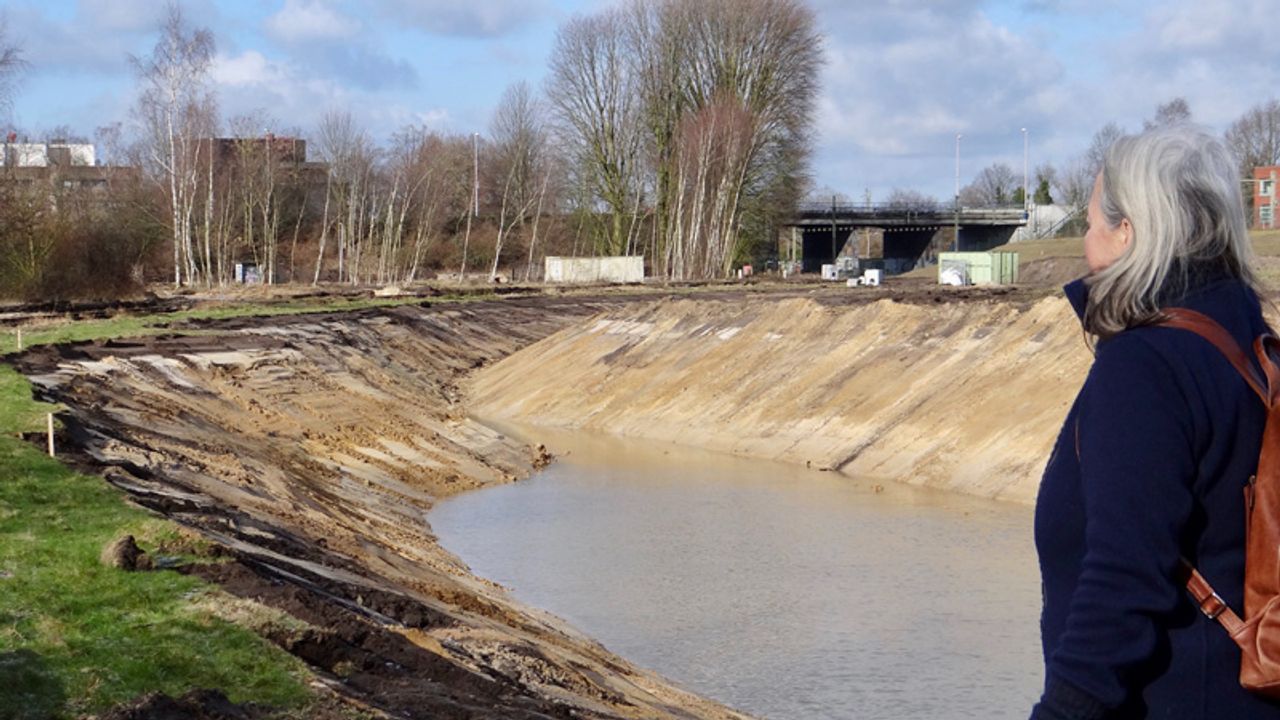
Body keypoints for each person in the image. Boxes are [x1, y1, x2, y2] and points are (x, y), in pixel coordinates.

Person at [1031, 125, 1280, 718]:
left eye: (1091, 223)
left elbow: (1123, 580)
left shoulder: (1146, 366)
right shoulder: (1255, 343)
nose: (1085, 243)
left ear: (1128, 231)